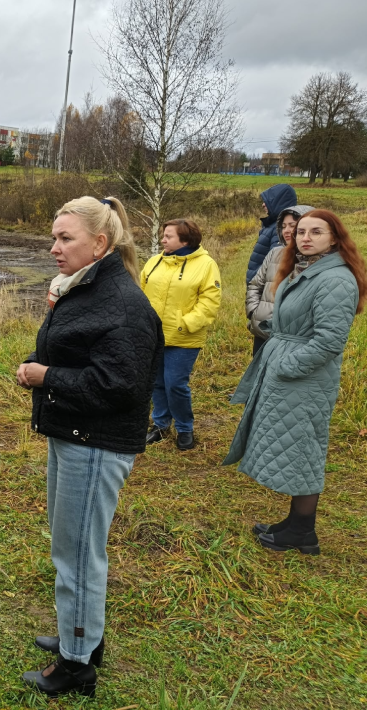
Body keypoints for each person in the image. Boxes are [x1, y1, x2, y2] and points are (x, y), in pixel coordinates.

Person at [15, 197, 162, 698]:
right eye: (54, 237)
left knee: (77, 555)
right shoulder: (85, 288)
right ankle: (82, 636)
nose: (54, 248)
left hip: (95, 443)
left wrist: (45, 376)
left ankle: (76, 665)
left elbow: (119, 383)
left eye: (65, 238)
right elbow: (79, 349)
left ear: (99, 243)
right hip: (73, 434)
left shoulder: (121, 303)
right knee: (70, 548)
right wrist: (41, 368)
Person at [225, 209, 366, 555]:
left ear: (334, 238)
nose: (305, 237)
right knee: (297, 447)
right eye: (301, 231)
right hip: (290, 373)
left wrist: (285, 366)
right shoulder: (307, 270)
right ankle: (294, 523)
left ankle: (303, 532)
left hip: (305, 378)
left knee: (305, 450)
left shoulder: (335, 279)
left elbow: (330, 342)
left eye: (316, 232)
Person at [140, 219, 221, 450]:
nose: (162, 240)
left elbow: (209, 302)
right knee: (157, 382)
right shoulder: (155, 262)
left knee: (175, 384)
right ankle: (160, 425)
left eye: (168, 236)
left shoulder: (206, 265)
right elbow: (141, 294)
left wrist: (185, 324)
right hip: (154, 336)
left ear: (185, 239)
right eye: (163, 235)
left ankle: (185, 428)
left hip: (184, 338)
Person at [246, 205, 314, 355]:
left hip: (291, 339)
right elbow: (255, 285)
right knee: (258, 376)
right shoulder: (274, 253)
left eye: (292, 225)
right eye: (283, 226)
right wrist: (254, 312)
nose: (287, 230)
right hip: (263, 331)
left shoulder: (315, 261)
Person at [245, 184, 297, 284]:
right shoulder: (272, 225)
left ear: (279, 202)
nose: (263, 205)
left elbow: (275, 265)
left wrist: (258, 288)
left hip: (264, 289)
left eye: (268, 201)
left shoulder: (279, 229)